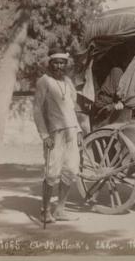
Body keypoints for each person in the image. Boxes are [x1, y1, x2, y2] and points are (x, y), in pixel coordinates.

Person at [33, 47, 83, 224]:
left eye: (62, 63)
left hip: (71, 131)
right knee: (52, 172)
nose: (59, 66)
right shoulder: (43, 82)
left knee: (71, 170)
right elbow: (37, 111)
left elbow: (71, 108)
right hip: (54, 133)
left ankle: (60, 209)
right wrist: (45, 135)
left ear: (66, 64)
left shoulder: (68, 82)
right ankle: (45, 211)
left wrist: (78, 130)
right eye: (56, 62)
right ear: (50, 63)